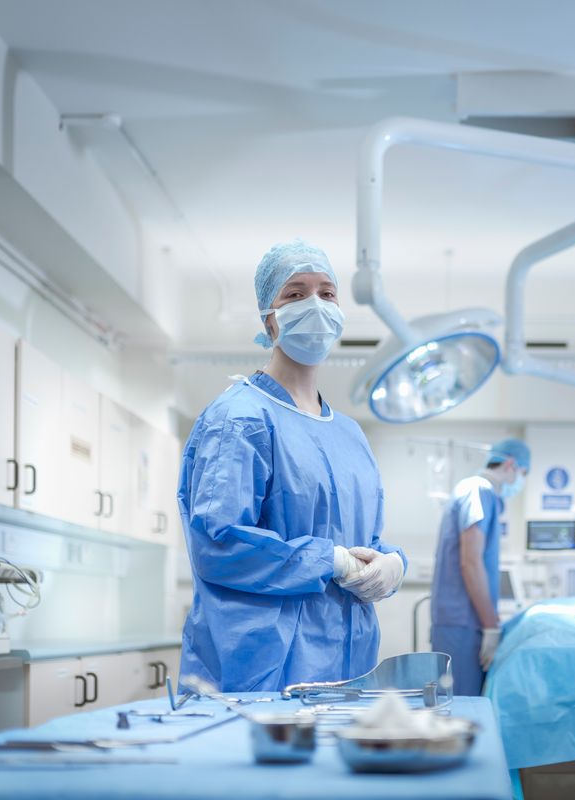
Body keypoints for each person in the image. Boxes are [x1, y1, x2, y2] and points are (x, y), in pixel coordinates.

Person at [178, 239, 406, 693]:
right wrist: (330, 560)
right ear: (269, 317)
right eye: (296, 294)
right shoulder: (240, 419)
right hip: (262, 665)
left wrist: (391, 563)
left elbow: (361, 540)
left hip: (350, 660)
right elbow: (218, 544)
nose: (315, 305)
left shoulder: (349, 435)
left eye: (327, 293)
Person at [429, 438, 530, 695]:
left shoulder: (477, 492)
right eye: (523, 473)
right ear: (510, 465)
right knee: (462, 710)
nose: (521, 481)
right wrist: (490, 626)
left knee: (462, 705)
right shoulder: (479, 490)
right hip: (463, 624)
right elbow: (471, 562)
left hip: (460, 621)